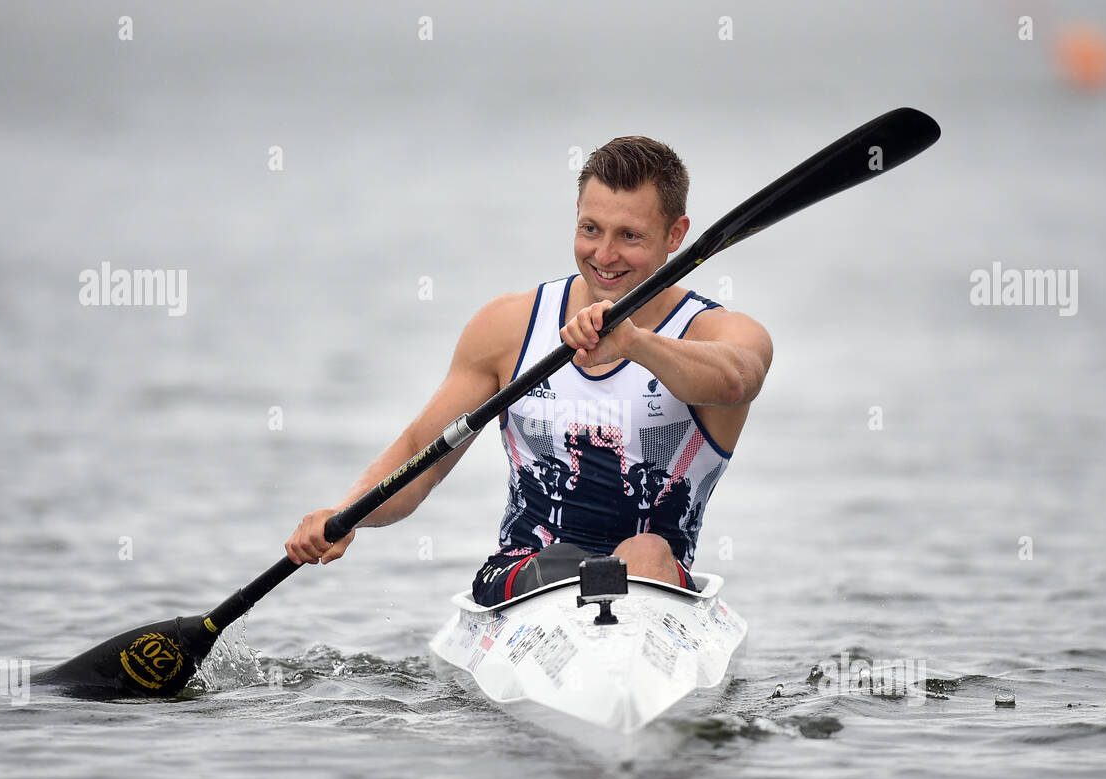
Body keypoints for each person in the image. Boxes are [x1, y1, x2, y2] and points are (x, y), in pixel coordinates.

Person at [285, 136, 772, 605]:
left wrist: (635, 344)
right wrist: (346, 513)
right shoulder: (510, 326)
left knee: (644, 552)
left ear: (676, 236)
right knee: (565, 562)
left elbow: (737, 379)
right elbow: (421, 455)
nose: (603, 255)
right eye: (590, 229)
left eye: (629, 236)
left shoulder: (720, 332)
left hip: (657, 593)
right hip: (526, 579)